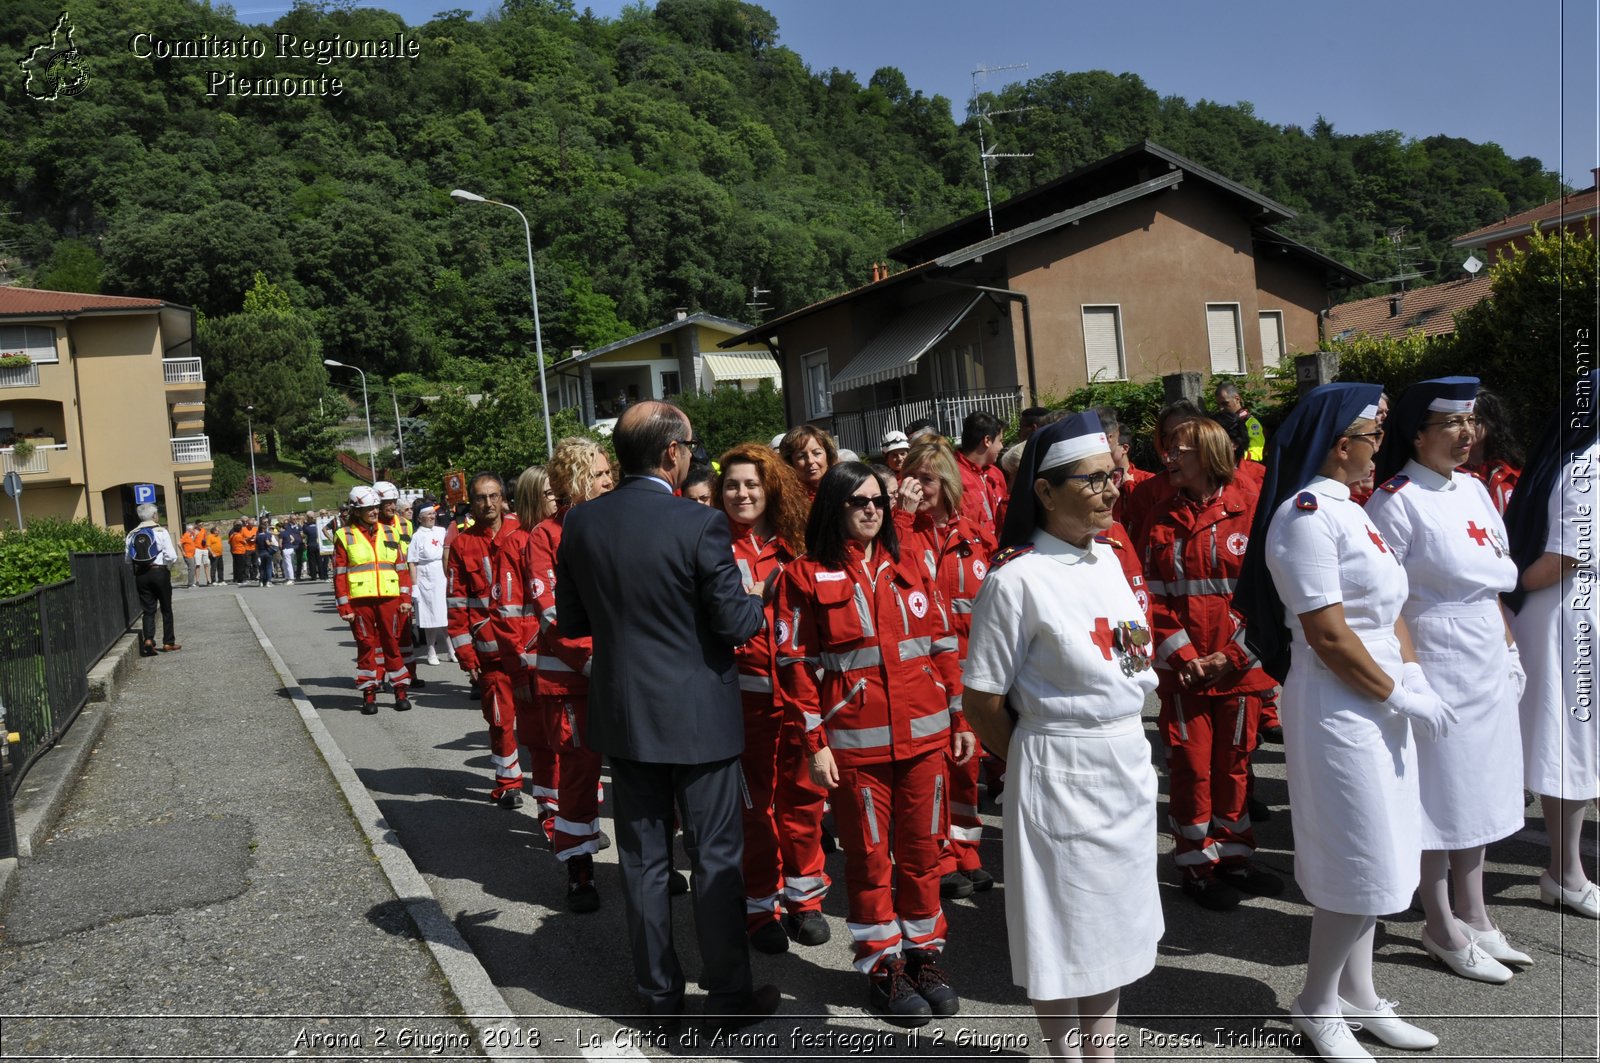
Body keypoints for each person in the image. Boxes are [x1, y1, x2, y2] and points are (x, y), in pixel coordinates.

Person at [1237, 381, 1450, 1061]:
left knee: (1384, 851)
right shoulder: (1304, 518)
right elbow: (1327, 635)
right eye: (1374, 436)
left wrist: (1410, 678)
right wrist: (1399, 692)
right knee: (1357, 858)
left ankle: (1358, 993)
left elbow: (1389, 609)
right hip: (1339, 708)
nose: (1378, 449)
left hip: (1377, 700)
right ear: (1340, 443)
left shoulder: (1351, 511)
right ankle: (1317, 1002)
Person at [555, 401, 778, 1028]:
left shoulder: (582, 524)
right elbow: (735, 624)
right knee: (715, 861)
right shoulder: (699, 524)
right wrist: (755, 597)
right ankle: (729, 996)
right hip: (700, 718)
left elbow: (573, 623)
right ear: (671, 454)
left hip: (625, 716)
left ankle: (657, 997)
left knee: (644, 863)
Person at [961, 411, 1161, 1059]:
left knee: (1112, 922)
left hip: (1124, 762)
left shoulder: (1111, 559)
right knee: (1060, 926)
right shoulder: (1015, 580)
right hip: (1055, 769)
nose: (1111, 488)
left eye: (1113, 475)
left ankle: (1100, 1054)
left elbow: (1134, 660)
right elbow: (982, 699)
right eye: (1093, 478)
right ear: (1044, 491)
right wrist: (1034, 755)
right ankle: (1064, 1055)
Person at [774, 460, 970, 1027]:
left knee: (922, 855)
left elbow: (941, 645)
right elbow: (795, 667)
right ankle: (881, 965)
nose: (871, 510)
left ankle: (922, 957)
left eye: (879, 502)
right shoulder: (803, 574)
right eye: (858, 501)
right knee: (868, 859)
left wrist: (960, 719)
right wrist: (815, 743)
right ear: (833, 507)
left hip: (925, 741)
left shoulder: (910, 561)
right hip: (855, 749)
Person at [1366, 376, 1528, 981]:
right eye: (1451, 425)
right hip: (1434, 651)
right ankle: (1438, 922)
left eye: (1471, 423)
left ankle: (1476, 913)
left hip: (1485, 650)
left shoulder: (1476, 490)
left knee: (1482, 786)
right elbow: (1387, 602)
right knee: (1440, 793)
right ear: (1417, 433)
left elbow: (1490, 579)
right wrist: (1411, 673)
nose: (1467, 435)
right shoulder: (1396, 500)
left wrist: (1510, 649)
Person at [1146, 416, 1281, 910]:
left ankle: (1237, 857)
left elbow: (1266, 599)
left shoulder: (1250, 514)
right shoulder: (1161, 519)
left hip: (1240, 671)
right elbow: (1151, 601)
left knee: (1235, 766)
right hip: (1186, 677)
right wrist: (1185, 657)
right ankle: (1197, 867)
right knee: (1191, 770)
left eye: (1180, 451)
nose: (1170, 458)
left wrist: (1231, 656)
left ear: (1208, 454)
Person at [715, 443, 830, 953]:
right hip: (742, 702)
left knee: (803, 803)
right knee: (754, 810)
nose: (742, 494)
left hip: (799, 698)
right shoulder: (710, 542)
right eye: (733, 485)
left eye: (752, 484)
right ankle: (760, 906)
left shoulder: (799, 543)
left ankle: (805, 902)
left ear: (771, 489)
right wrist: (754, 592)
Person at [1505, 368, 1599, 919]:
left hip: (1573, 610)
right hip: (1569, 615)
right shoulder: (1588, 466)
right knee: (1571, 746)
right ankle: (1565, 872)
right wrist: (1499, 589)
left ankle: (1566, 868)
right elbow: (1561, 559)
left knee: (1575, 745)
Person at [896, 439, 997, 900]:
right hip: (922, 675)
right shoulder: (901, 533)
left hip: (969, 673)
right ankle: (937, 856)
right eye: (911, 476)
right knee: (931, 769)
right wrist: (901, 512)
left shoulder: (976, 537)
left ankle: (966, 851)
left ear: (950, 484)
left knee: (966, 766)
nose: (919, 485)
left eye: (928, 478)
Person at [524, 438, 615, 908]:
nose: (609, 480)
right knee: (579, 771)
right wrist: (596, 661)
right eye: (599, 474)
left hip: (628, 675)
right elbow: (552, 612)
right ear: (577, 480)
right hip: (573, 680)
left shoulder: (624, 523)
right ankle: (579, 864)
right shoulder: (545, 536)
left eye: (607, 472)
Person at [447, 473, 533, 806]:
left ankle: (549, 791)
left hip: (529, 648)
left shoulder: (524, 533)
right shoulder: (462, 544)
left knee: (541, 724)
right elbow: (455, 603)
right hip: (491, 652)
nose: (488, 504)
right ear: (472, 502)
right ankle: (508, 782)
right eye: (481, 498)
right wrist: (466, 656)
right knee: (500, 720)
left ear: (503, 497)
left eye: (493, 496)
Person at [333, 486, 414, 714]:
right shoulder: (344, 535)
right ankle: (369, 693)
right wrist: (344, 606)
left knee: (392, 643)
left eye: (376, 507)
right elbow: (339, 574)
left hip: (390, 598)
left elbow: (401, 568)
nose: (374, 512)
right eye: (369, 508)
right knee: (366, 645)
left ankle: (400, 690)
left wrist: (405, 597)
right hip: (360, 601)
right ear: (357, 511)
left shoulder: (391, 532)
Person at [126, 503, 180, 657]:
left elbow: (128, 560)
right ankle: (168, 642)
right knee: (166, 608)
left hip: (141, 575)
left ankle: (148, 640)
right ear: (154, 516)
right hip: (159, 572)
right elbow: (172, 556)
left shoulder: (131, 534)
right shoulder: (160, 531)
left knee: (148, 610)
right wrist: (165, 565)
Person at [1461, 386, 1523, 515]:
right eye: (1458, 421)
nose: (1466, 428)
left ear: (1490, 421)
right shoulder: (1450, 473)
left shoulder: (1511, 473)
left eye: (1473, 420)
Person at [407, 505, 451, 666]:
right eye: (428, 515)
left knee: (446, 614)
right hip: (426, 577)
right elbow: (412, 562)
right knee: (430, 616)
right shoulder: (417, 536)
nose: (432, 517)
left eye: (433, 514)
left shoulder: (441, 531)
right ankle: (431, 651)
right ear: (420, 518)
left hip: (442, 573)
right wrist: (414, 586)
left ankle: (451, 649)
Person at [955, 411, 1007, 541]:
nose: (1002, 446)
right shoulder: (953, 476)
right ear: (987, 440)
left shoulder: (996, 473)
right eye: (1000, 441)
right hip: (975, 555)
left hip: (1001, 554)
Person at [779, 424, 839, 503]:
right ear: (790, 463)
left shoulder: (843, 490)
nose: (810, 461)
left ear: (828, 456)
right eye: (801, 456)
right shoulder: (785, 499)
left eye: (817, 453)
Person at [1214, 381, 1266, 462]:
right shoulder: (1219, 422)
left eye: (1225, 403)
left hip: (1243, 468)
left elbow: (1256, 453)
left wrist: (1234, 455)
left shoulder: (1251, 423)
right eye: (1218, 405)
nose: (1221, 408)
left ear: (1237, 399)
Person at [279, 516, 302, 585]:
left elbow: (280, 543)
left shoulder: (282, 533)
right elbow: (293, 539)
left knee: (287, 565)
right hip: (291, 548)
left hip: (286, 549)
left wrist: (282, 547)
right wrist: (289, 543)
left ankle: (291, 579)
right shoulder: (288, 532)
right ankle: (288, 578)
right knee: (288, 564)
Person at [255, 521, 278, 587]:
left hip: (260, 553)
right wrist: (272, 544)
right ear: (263, 529)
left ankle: (261, 582)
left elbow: (256, 546)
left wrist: (257, 553)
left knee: (262, 568)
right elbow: (267, 543)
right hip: (267, 552)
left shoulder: (257, 536)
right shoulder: (265, 535)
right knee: (268, 567)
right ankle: (268, 581)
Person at [179, 522, 202, 588]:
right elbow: (179, 543)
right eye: (192, 529)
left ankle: (191, 583)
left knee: (192, 568)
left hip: (191, 554)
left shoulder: (189, 536)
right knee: (191, 568)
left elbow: (191, 541)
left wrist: (195, 535)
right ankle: (190, 584)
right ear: (189, 529)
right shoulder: (186, 535)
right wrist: (183, 552)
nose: (194, 530)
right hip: (188, 555)